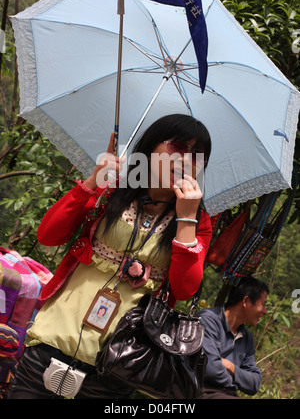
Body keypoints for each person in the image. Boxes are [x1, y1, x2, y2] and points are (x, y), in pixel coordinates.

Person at [8, 113, 212, 399]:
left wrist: (187, 218)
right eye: (179, 146)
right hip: (52, 341)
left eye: (198, 155)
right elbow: (48, 236)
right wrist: (93, 180)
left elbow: (184, 288)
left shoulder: (196, 222)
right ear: (152, 145)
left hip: (118, 367)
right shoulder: (113, 189)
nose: (187, 159)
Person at [199, 277, 268, 399]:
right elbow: (211, 369)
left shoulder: (246, 337)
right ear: (246, 301)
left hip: (227, 395)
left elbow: (254, 383)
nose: (265, 311)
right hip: (202, 392)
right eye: (263, 305)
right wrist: (237, 380)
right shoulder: (208, 320)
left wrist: (231, 367)